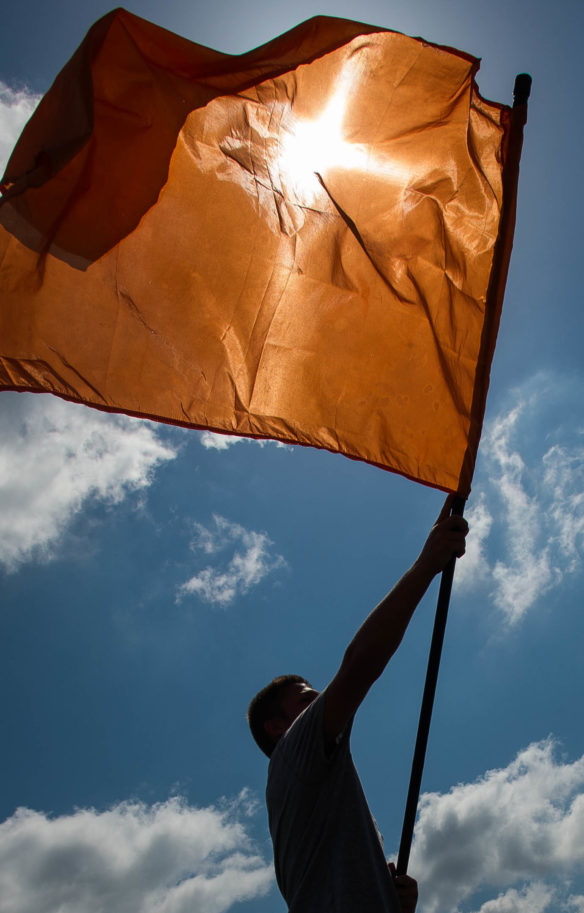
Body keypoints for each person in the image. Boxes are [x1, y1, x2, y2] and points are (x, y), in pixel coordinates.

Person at [247, 495, 469, 913]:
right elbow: (357, 667)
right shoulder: (295, 754)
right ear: (277, 728)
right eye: (307, 701)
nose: (322, 705)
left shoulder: (320, 792)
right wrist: (427, 564)